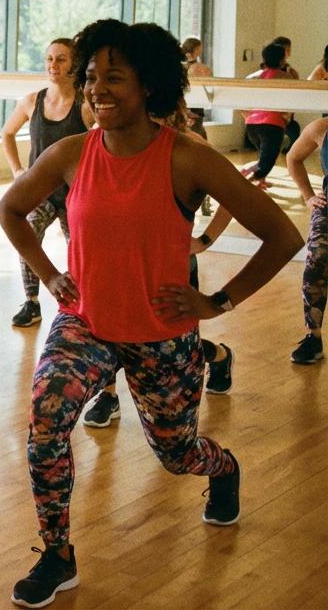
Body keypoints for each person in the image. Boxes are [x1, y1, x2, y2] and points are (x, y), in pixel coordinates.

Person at [0, 19, 301, 608]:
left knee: (175, 453)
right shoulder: (70, 153)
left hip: (160, 334)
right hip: (85, 322)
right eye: (90, 78)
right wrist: (50, 273)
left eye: (115, 77)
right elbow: (11, 210)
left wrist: (218, 302)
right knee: (46, 419)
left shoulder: (186, 159)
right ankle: (57, 554)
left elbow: (282, 236)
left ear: (150, 86)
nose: (96, 90)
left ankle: (223, 468)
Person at [80, 102, 237, 428]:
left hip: (170, 269)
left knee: (171, 353)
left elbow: (233, 197)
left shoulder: (190, 147)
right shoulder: (105, 140)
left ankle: (219, 356)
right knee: (108, 334)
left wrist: (204, 241)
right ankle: (107, 395)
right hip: (114, 266)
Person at [0, 38, 93, 327]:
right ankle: (32, 301)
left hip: (74, 195)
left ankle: (83, 302)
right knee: (27, 232)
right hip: (40, 193)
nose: (53, 65)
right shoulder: (32, 101)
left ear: (73, 65)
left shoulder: (85, 105)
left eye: (61, 59)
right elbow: (7, 133)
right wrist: (17, 170)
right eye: (50, 58)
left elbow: (101, 144)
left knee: (80, 249)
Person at [286, 116, 328, 364]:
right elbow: (293, 158)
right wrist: (308, 196)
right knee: (316, 260)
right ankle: (313, 337)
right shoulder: (321, 128)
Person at [240, 42, 295, 187]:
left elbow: (241, 102)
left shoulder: (252, 77)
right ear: (283, 60)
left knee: (264, 155)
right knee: (267, 162)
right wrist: (286, 116)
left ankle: (257, 179)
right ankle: (246, 177)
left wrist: (248, 118)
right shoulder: (287, 78)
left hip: (251, 126)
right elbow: (292, 101)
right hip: (273, 125)